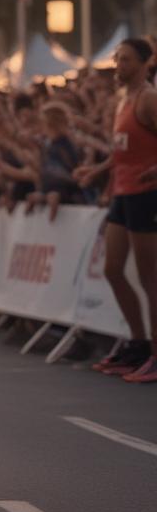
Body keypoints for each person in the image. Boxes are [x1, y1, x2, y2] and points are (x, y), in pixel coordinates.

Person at [75, 39, 157, 382]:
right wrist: (99, 170)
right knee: (112, 269)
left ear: (145, 63)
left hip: (146, 194)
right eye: (117, 58)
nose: (118, 65)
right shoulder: (123, 99)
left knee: (151, 279)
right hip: (123, 192)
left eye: (125, 60)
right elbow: (123, 150)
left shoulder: (149, 98)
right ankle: (138, 343)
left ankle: (155, 353)